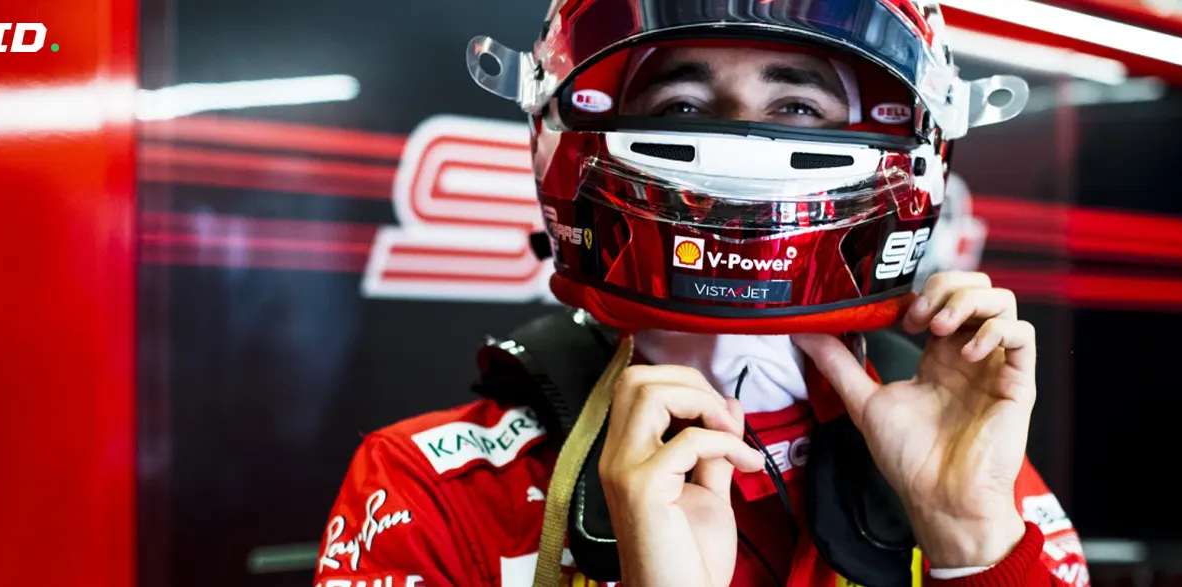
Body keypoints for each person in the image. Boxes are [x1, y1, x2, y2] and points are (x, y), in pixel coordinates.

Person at [313, 1, 1086, 585]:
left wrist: (972, 540)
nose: (742, 144)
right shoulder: (429, 491)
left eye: (797, 107)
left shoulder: (959, 457)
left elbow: (975, 518)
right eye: (681, 107)